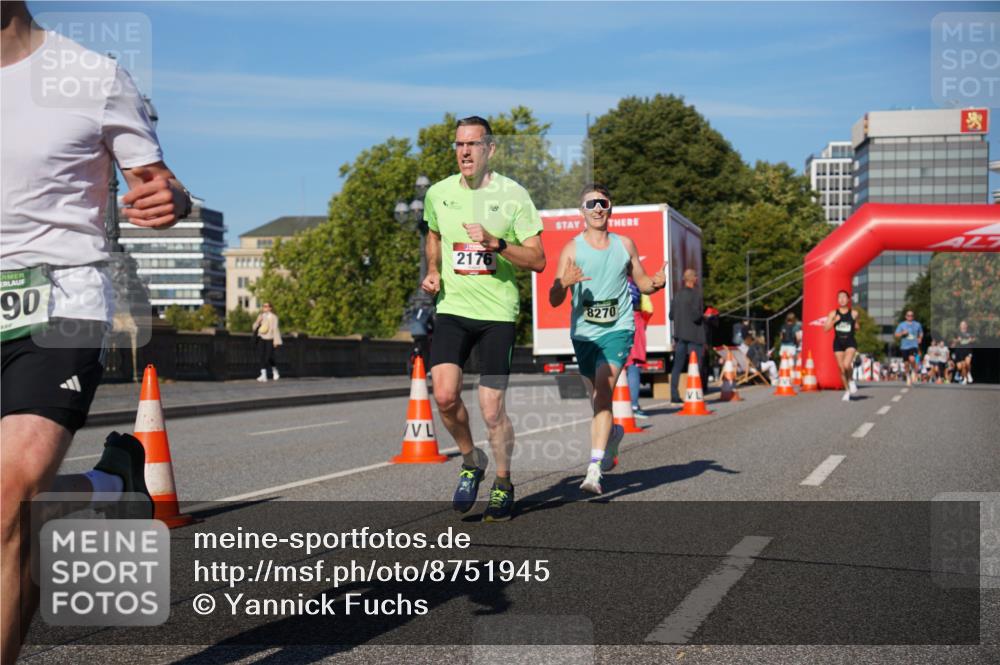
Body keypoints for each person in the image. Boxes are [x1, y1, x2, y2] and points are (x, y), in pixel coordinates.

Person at [1, 4, 192, 661]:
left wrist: (175, 200)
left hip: (60, 302)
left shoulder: (90, 76)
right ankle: (112, 485)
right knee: (13, 514)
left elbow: (157, 185)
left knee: (9, 492)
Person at [421, 116, 545, 522]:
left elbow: (538, 260)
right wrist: (434, 268)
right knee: (444, 396)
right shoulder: (438, 193)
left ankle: (504, 483)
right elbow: (434, 234)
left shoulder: (514, 195)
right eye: (459, 145)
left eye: (473, 144)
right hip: (454, 309)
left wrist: (498, 244)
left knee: (492, 410)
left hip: (496, 314)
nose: (465, 152)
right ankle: (472, 460)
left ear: (490, 149)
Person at [549, 184, 666, 494]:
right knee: (598, 401)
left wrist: (656, 283)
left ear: (610, 207)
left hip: (619, 329)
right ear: (582, 212)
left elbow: (642, 282)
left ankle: (593, 469)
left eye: (603, 202)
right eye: (591, 204)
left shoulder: (624, 244)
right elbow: (553, 298)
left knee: (603, 390)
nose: (598, 208)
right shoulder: (572, 249)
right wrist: (564, 283)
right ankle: (613, 433)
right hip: (584, 333)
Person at [669, 268, 705, 406]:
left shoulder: (677, 296)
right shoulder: (696, 295)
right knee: (696, 366)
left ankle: (674, 395)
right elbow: (696, 316)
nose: (697, 279)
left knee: (677, 366)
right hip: (693, 336)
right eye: (696, 277)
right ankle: (695, 393)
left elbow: (671, 316)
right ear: (693, 279)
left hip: (679, 336)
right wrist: (703, 315)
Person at [823, 290, 860, 401]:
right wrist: (835, 321)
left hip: (850, 342)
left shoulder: (854, 313)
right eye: (839, 297)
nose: (842, 299)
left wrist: (855, 322)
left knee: (846, 364)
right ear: (837, 300)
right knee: (841, 368)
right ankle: (847, 391)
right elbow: (825, 329)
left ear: (848, 299)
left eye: (844, 297)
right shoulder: (833, 313)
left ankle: (851, 380)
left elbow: (858, 328)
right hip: (838, 342)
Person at [624, 277, 653, 418]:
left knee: (613, 366)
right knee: (634, 365)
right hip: (634, 319)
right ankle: (633, 406)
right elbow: (648, 308)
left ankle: (612, 407)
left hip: (611, 322)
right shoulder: (638, 281)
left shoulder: (609, 277)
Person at [253, 302, 283, 381]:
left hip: (270, 338)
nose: (264, 308)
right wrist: (258, 321)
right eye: (263, 306)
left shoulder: (274, 317)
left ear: (270, 308)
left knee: (269, 356)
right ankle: (263, 374)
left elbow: (275, 329)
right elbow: (254, 327)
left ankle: (274, 370)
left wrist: (276, 341)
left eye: (266, 306)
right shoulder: (261, 316)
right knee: (261, 356)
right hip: (261, 337)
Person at [894, 309, 924, 386]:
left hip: (914, 345)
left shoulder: (917, 324)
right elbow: (896, 335)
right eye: (908, 315)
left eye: (911, 315)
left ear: (913, 317)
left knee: (912, 359)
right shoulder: (902, 325)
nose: (910, 317)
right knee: (906, 363)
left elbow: (921, 332)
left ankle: (913, 370)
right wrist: (902, 333)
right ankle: (908, 376)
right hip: (904, 346)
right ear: (905, 316)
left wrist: (920, 338)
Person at [951, 320, 975, 384]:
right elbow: (953, 341)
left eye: (964, 324)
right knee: (962, 366)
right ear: (960, 326)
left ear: (966, 326)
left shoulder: (970, 333)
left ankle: (969, 373)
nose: (963, 326)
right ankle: (964, 377)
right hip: (960, 351)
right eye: (962, 324)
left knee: (968, 363)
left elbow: (974, 339)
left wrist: (971, 340)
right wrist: (957, 340)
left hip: (968, 350)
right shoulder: (957, 333)